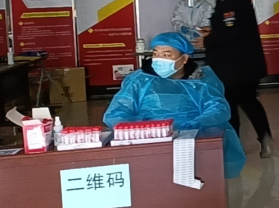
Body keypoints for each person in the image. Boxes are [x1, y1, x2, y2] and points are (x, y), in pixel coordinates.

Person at [104, 32, 245, 178]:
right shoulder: (139, 80)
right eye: (155, 54)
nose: (159, 59)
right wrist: (146, 128)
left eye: (166, 55)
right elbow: (117, 113)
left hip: (193, 140)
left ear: (184, 58)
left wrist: (194, 125)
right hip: (147, 141)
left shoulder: (201, 80)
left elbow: (218, 108)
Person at [194, 0, 274, 158]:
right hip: (243, 66)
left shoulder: (230, 2)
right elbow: (233, 29)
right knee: (249, 102)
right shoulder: (232, 0)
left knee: (231, 105)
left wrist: (208, 41)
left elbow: (233, 32)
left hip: (235, 68)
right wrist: (212, 31)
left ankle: (234, 146)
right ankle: (265, 139)